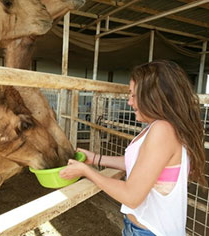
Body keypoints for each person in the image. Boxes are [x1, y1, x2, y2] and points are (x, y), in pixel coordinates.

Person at [60, 60, 206, 236]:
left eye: (134, 95)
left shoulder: (163, 130)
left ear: (154, 95)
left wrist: (86, 171)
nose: (129, 102)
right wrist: (95, 158)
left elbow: (131, 196)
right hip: (140, 228)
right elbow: (142, 166)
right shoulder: (160, 127)